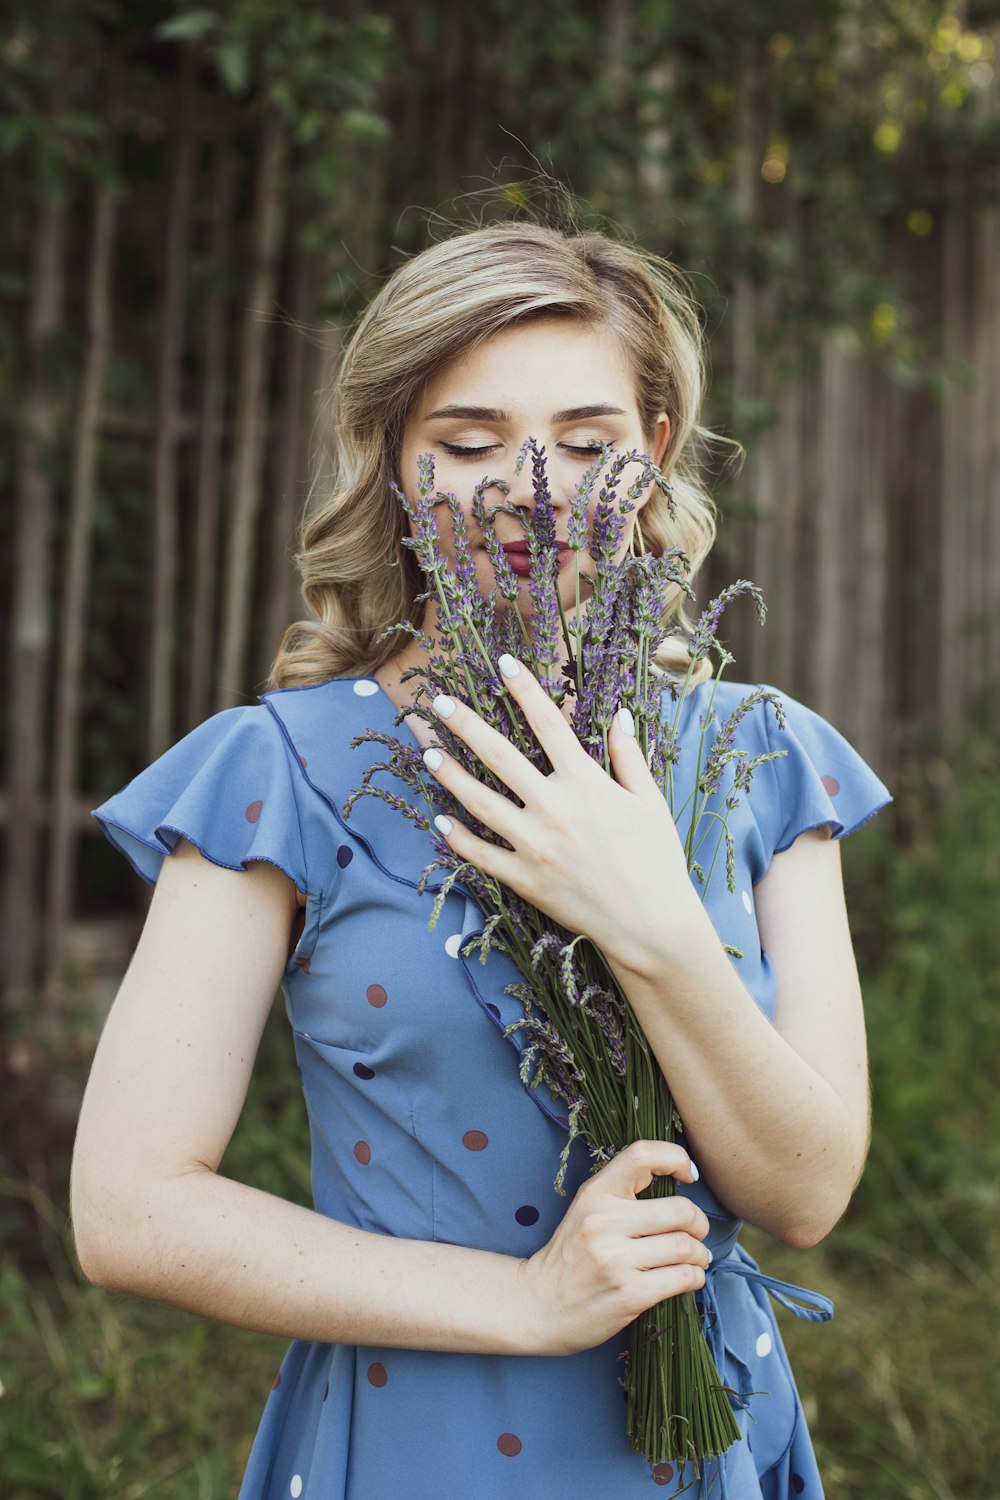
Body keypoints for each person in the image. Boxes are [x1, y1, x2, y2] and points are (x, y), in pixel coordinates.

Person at [71, 221, 890, 1499]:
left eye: (586, 444)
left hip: (709, 1443)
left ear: (654, 453)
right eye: (467, 444)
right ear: (394, 460)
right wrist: (529, 1300)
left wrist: (651, 922)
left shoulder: (759, 758)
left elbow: (806, 1194)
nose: (535, 488)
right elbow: (128, 1212)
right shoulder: (280, 771)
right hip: (417, 1442)